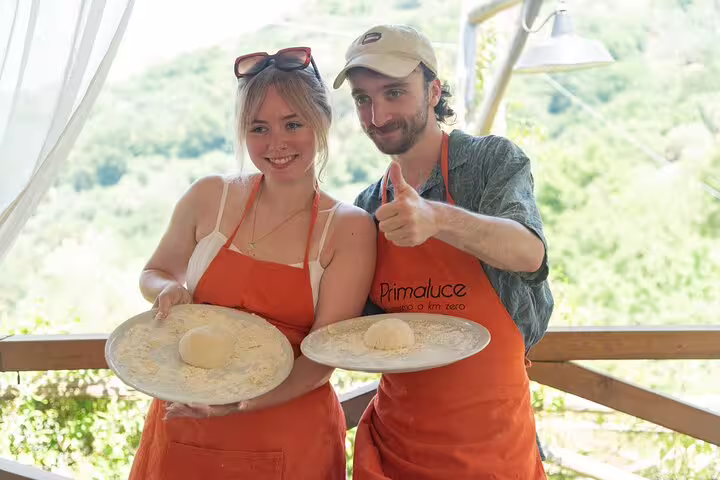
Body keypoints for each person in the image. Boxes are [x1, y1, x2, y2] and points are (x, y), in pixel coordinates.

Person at [129, 46, 376, 480]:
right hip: (186, 421)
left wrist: (238, 403)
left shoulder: (349, 229)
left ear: (322, 123)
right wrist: (165, 288)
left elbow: (321, 358)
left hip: (287, 435)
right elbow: (155, 272)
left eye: (292, 123)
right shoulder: (209, 197)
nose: (275, 143)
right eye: (258, 127)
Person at [333, 25, 554, 479]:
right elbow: (356, 329)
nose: (377, 115)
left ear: (434, 91)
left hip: (493, 449)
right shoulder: (367, 207)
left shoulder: (490, 162)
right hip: (394, 449)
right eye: (362, 99)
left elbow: (529, 253)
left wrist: (438, 219)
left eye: (394, 92)